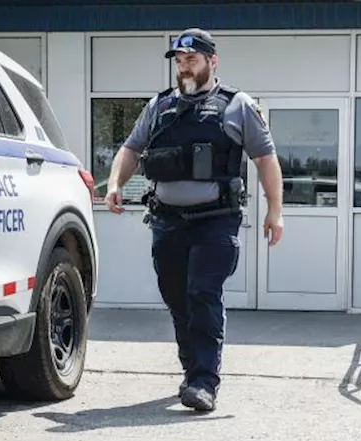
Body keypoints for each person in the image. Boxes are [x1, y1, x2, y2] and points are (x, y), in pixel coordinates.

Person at [104, 27, 283, 413]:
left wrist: (275, 211)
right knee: (176, 298)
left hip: (215, 220)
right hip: (167, 221)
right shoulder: (159, 106)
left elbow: (266, 160)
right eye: (180, 61)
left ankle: (204, 381)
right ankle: (192, 372)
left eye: (192, 59)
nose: (184, 67)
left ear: (212, 61)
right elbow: (131, 148)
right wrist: (116, 183)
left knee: (203, 293)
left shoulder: (237, 106)